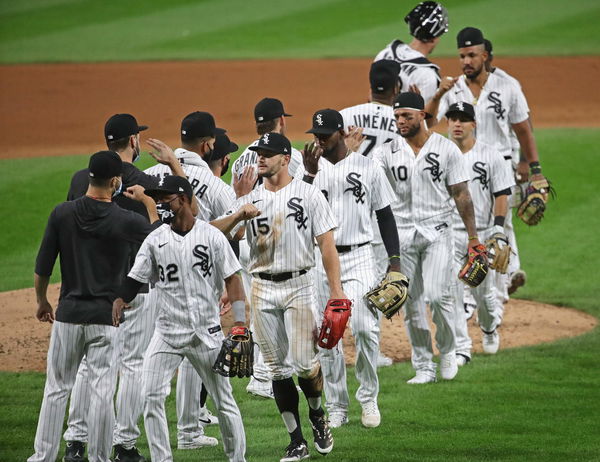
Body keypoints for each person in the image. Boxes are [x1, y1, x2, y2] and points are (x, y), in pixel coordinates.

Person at [62, 114, 185, 462]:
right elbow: (183, 212)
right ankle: (124, 445)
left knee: (89, 366)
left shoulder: (78, 180)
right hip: (134, 291)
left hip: (92, 289)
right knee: (131, 364)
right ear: (133, 141)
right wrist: (174, 165)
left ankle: (75, 442)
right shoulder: (145, 182)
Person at [112, 176, 258, 462]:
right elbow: (134, 279)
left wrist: (239, 323)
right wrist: (120, 299)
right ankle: (161, 459)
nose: (159, 202)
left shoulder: (212, 236)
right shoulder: (155, 239)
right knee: (150, 395)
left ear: (183, 199)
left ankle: (237, 458)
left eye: (165, 197)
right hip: (167, 333)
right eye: (157, 198)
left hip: (207, 333)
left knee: (224, 401)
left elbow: (233, 280)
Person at [29, 151, 161, 462]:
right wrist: (149, 203)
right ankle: (100, 458)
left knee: (57, 389)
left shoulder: (61, 214)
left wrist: (41, 301)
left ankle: (43, 456)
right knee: (103, 391)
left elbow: (43, 266)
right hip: (106, 320)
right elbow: (160, 240)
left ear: (90, 177)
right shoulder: (126, 220)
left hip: (68, 317)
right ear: (116, 181)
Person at [226, 133, 343, 461]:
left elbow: (327, 245)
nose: (260, 158)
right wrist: (238, 206)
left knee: (305, 365)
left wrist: (336, 289)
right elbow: (226, 238)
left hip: (300, 286)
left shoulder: (308, 194)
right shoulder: (250, 198)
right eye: (258, 153)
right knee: (277, 370)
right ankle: (296, 440)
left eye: (267, 153)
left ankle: (318, 414)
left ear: (283, 158)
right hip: (261, 288)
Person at [426, 27, 548, 301]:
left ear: (485, 55)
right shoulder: (452, 87)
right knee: (467, 221)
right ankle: (486, 280)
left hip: (501, 162)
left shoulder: (508, 85)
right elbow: (429, 122)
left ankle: (502, 280)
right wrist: (436, 94)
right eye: (461, 56)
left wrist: (532, 166)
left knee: (499, 221)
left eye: (471, 55)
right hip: (461, 163)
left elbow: (523, 129)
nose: (466, 61)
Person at [299, 109, 401, 429]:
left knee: (365, 328)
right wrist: (310, 174)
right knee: (328, 334)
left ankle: (369, 398)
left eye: (325, 135)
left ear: (341, 134)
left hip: (359, 256)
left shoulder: (369, 167)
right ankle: (337, 405)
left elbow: (385, 216)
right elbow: (299, 214)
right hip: (321, 261)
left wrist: (394, 262)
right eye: (315, 135)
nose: (319, 140)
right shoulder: (311, 171)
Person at [372, 92, 480, 384]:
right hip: (402, 236)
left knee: (437, 294)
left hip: (438, 232)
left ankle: (447, 351)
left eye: (406, 116)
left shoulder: (446, 150)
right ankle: (423, 366)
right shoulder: (386, 153)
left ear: (422, 115)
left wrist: (473, 238)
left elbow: (461, 194)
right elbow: (377, 197)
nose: (400, 121)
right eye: (396, 117)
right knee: (411, 302)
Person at [230, 98, 303, 400]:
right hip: (276, 240)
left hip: (248, 240)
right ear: (280, 121)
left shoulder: (239, 161)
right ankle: (265, 374)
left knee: (260, 307)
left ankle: (263, 373)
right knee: (279, 308)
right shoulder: (290, 157)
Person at [340, 59, 402, 368]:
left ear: (369, 89)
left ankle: (336, 344)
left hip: (344, 209)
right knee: (373, 282)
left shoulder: (344, 116)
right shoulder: (402, 118)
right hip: (382, 208)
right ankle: (370, 350)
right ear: (397, 89)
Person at [445, 102, 515, 363]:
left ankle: (488, 329)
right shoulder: (441, 154)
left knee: (483, 295)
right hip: (450, 234)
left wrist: (498, 228)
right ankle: (460, 348)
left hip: (482, 235)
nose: (457, 124)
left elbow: (502, 193)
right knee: (450, 290)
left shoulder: (490, 155)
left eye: (463, 119)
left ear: (474, 124)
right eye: (452, 119)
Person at [374, 1, 449, 103]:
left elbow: (372, 98)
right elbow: (425, 117)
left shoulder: (385, 53)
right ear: (434, 38)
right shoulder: (428, 76)